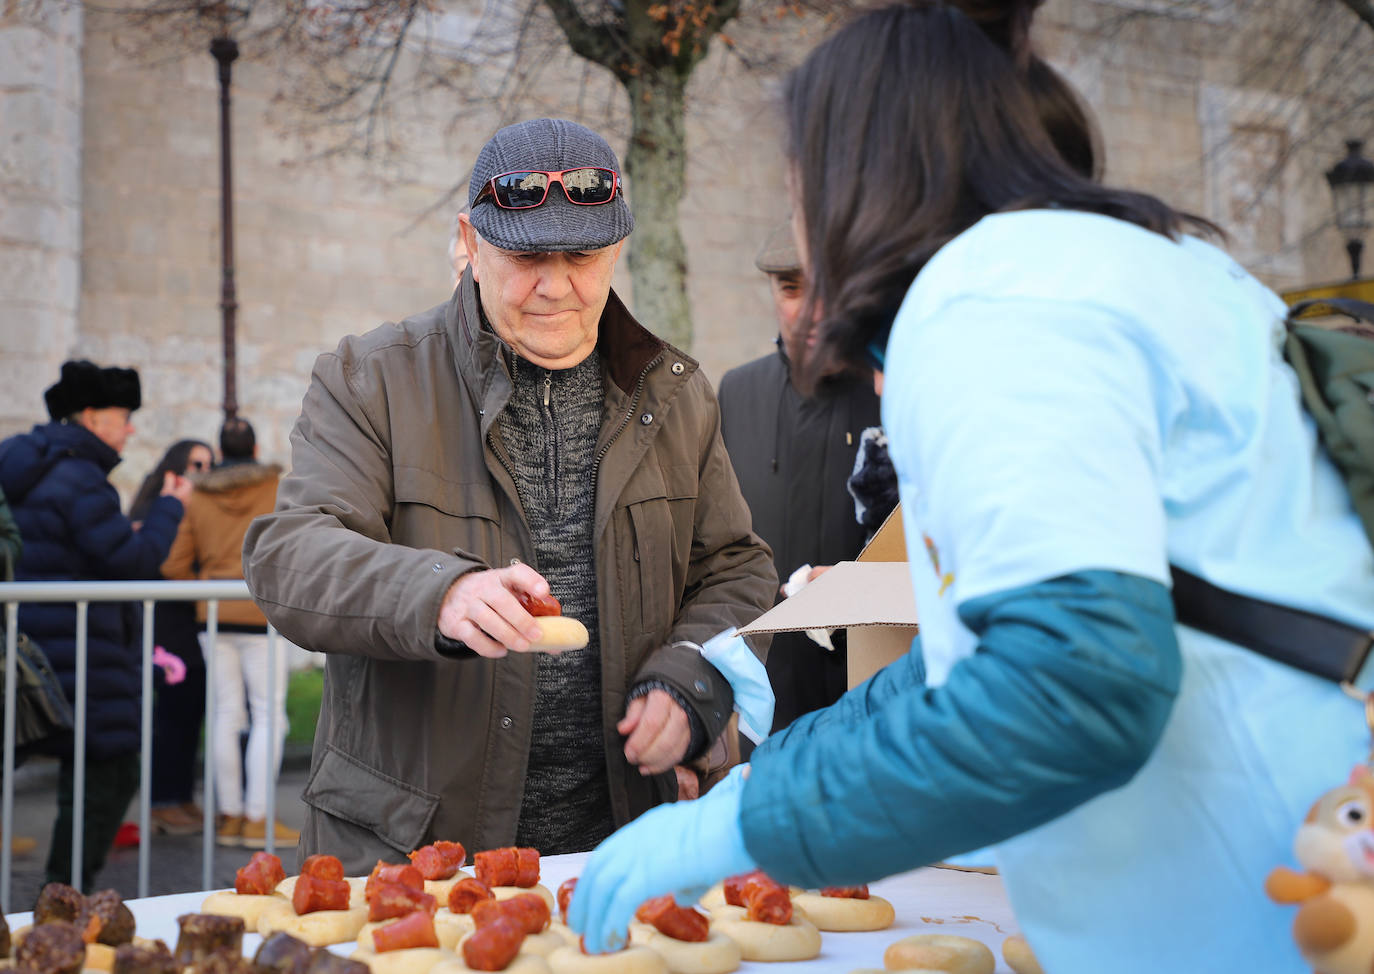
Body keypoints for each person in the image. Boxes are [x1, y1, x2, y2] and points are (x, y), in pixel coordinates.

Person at [567, 3, 1374, 972]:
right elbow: (987, 639)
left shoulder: (993, 301)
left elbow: (1067, 681)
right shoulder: (1129, 268)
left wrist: (745, 826)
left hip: (1257, 898)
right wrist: (770, 783)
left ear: (849, 173)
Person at [243, 117, 776, 872]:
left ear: (619, 245)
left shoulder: (678, 394)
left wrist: (692, 674)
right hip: (416, 856)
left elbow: (735, 570)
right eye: (526, 255)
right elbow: (289, 555)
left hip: (620, 849)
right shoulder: (370, 377)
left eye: (584, 256)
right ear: (470, 240)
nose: (556, 286)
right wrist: (439, 592)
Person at [0, 359, 191, 891]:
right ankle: (61, 899)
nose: (129, 427)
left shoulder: (28, 465)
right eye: (122, 415)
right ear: (90, 417)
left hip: (30, 646)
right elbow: (132, 561)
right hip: (82, 656)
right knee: (106, 770)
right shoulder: (79, 475)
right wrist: (170, 508)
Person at [717, 224, 880, 736]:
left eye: (828, 287)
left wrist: (861, 585)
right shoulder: (736, 392)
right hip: (760, 709)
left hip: (873, 702)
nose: (811, 309)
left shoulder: (898, 396)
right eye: (792, 289)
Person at [161, 418, 298, 849]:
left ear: (219, 454)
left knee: (224, 714)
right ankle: (257, 820)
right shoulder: (277, 487)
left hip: (214, 617)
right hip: (263, 613)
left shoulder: (199, 496)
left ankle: (229, 816)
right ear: (256, 449)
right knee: (267, 715)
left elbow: (173, 566)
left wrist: (205, 592)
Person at [130, 438, 215, 836]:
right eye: (196, 464)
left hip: (188, 623)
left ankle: (180, 797)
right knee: (171, 715)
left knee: (189, 710)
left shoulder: (201, 508)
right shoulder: (156, 508)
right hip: (164, 626)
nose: (203, 472)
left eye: (208, 464)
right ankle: (162, 802)